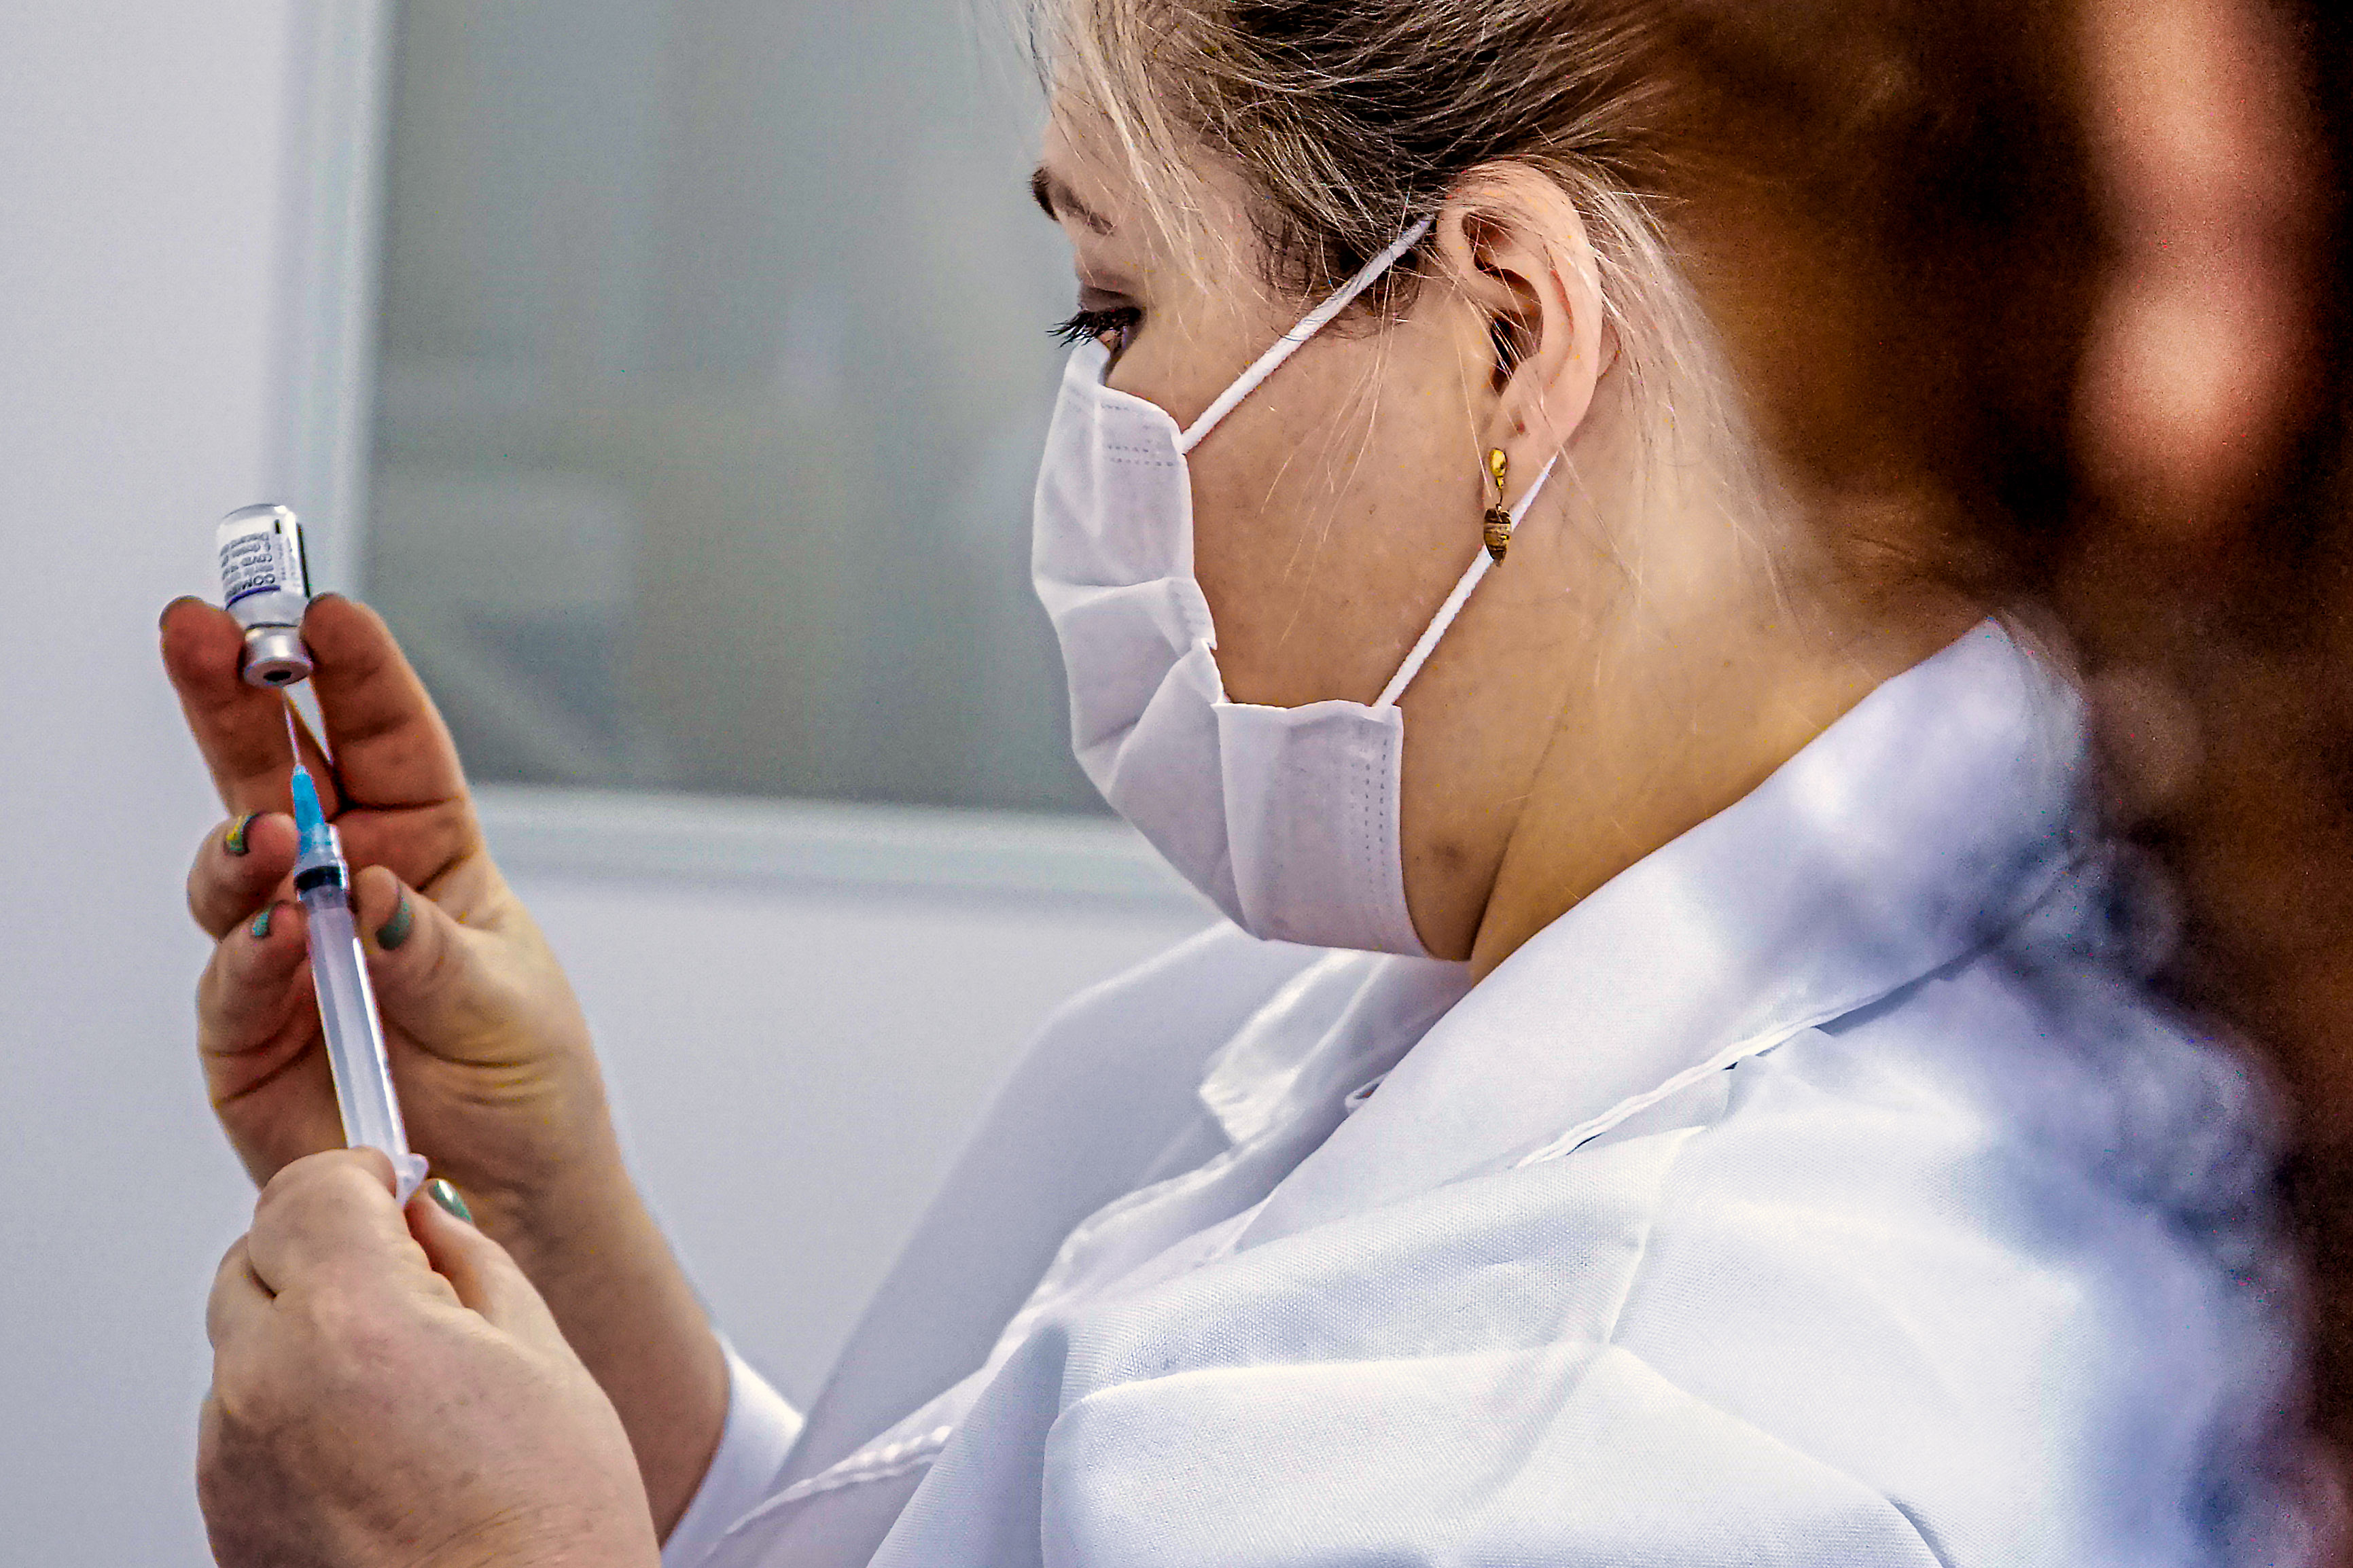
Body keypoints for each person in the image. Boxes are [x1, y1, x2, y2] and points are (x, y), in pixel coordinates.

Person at [162, 1, 2321, 1563]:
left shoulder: (1633, 1444)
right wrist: (551, 1237)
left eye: (1110, 311)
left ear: (1507, 335)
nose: (1087, 446)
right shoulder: (1474, 970)